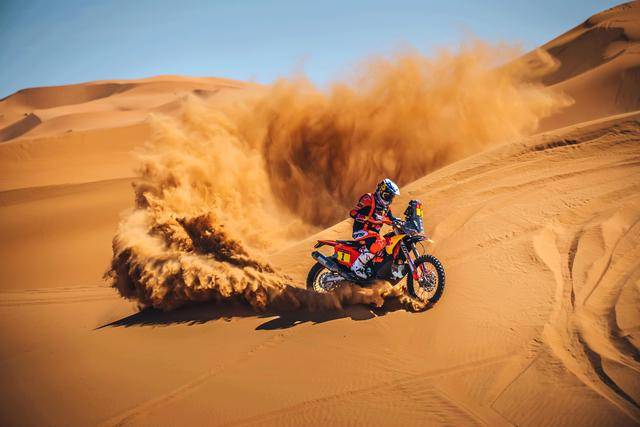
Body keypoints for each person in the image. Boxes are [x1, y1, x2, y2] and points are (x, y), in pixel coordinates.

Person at [349, 178, 401, 279]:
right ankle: (357, 267)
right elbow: (353, 213)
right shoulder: (368, 199)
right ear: (380, 191)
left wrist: (399, 222)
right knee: (380, 241)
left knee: (387, 243)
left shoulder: (386, 208)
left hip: (373, 235)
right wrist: (368, 218)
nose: (389, 199)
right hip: (360, 231)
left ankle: (374, 271)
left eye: (391, 197)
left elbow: (391, 218)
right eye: (387, 196)